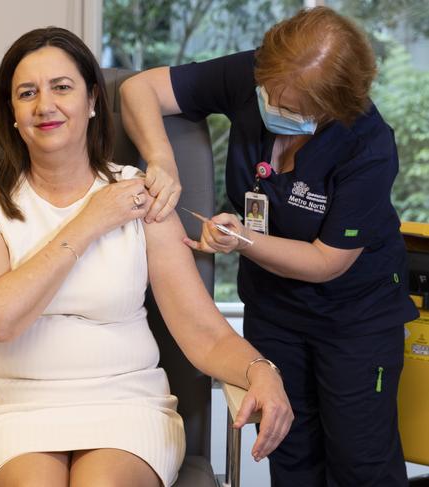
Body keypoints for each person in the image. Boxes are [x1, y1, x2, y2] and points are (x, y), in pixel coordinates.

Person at [0, 27, 292, 487]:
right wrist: (92, 218)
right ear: (11, 112)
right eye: (26, 92)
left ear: (92, 101)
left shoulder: (139, 193)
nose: (44, 105)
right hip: (10, 405)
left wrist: (261, 371)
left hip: (125, 405)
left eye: (62, 88)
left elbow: (202, 331)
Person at [120, 6, 419, 487]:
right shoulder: (255, 72)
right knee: (291, 456)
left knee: (360, 462)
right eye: (269, 95)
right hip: (274, 310)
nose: (274, 109)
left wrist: (243, 240)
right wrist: (162, 160)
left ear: (334, 108)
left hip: (355, 319)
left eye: (295, 108)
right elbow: (138, 88)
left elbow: (327, 262)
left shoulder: (368, 145)